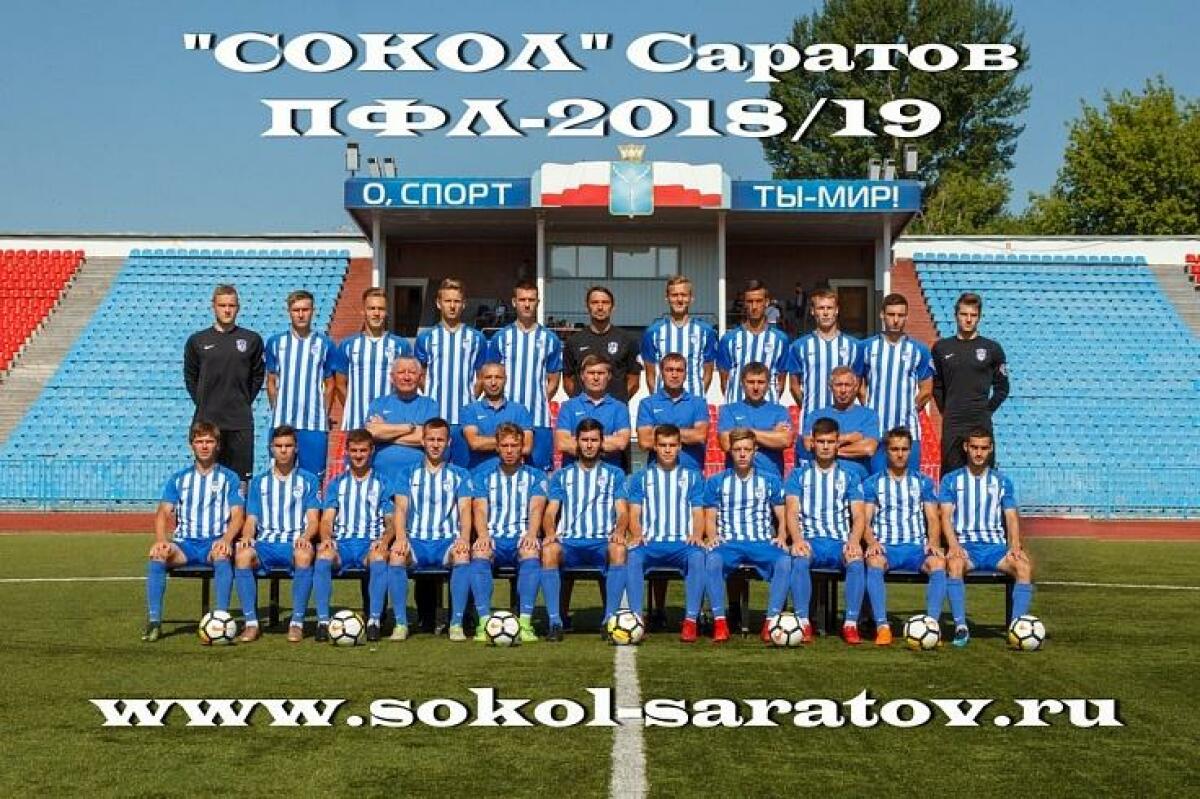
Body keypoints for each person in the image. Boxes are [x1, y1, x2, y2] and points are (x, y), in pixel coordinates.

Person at [142, 421, 244, 643]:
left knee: (222, 555)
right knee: (158, 555)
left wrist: (227, 539)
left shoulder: (229, 478)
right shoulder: (179, 479)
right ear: (192, 445)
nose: (204, 446)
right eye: (199, 441)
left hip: (213, 544)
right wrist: (161, 540)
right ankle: (154, 621)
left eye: (209, 441)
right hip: (184, 545)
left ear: (218, 445)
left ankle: (220, 618)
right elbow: (163, 512)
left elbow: (238, 515)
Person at [938, 428, 1035, 648]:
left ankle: (1017, 627)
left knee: (1024, 566)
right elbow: (945, 516)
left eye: (983, 448)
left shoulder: (1002, 482)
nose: (979, 453)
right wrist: (953, 545)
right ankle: (961, 626)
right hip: (967, 548)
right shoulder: (951, 480)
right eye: (974, 447)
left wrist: (1015, 546)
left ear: (990, 449)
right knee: (954, 564)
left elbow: (1011, 516)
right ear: (966, 448)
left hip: (995, 549)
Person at [385, 418, 475, 642]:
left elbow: (465, 509)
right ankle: (401, 624)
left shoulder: (460, 474)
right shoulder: (407, 473)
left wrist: (464, 538)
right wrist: (400, 538)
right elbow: (400, 508)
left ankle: (456, 624)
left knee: (463, 555)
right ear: (423, 441)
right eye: (431, 439)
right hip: (416, 542)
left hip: (446, 542)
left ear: (448, 442)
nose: (435, 444)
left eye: (440, 440)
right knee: (396, 556)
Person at [540, 419, 628, 641]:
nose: (589, 445)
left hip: (601, 543)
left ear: (601, 443)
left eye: (594, 440)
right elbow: (550, 513)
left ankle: (609, 621)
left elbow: (622, 512)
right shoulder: (562, 475)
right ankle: (555, 622)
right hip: (570, 543)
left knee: (618, 549)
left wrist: (619, 531)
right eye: (585, 440)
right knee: (549, 551)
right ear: (577, 442)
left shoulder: (615, 474)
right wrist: (550, 533)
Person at [784, 417, 869, 645]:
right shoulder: (798, 475)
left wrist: (854, 541)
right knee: (799, 559)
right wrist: (797, 540)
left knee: (856, 561)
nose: (825, 446)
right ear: (812, 443)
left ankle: (850, 623)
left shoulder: (850, 476)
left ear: (837, 443)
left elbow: (859, 515)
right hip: (810, 540)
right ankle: (803, 622)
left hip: (839, 542)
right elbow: (791, 512)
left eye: (830, 442)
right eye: (821, 441)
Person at [622, 425, 710, 642]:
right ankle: (636, 618)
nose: (668, 450)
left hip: (682, 544)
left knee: (698, 557)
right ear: (655, 447)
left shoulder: (693, 477)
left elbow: (698, 512)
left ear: (680, 447)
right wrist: (637, 534)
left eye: (672, 445)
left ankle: (690, 620)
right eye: (663, 445)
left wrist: (697, 535)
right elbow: (634, 513)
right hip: (651, 543)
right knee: (632, 556)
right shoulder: (641, 478)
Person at [234, 425, 322, 643]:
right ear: (271, 448)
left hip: (294, 543)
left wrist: (306, 537)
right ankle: (251, 623)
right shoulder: (259, 482)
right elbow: (251, 518)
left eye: (288, 446)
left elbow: (313, 520)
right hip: (265, 544)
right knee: (242, 555)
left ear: (296, 448)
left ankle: (297, 623)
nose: (283, 450)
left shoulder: (309, 480)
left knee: (304, 555)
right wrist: (247, 537)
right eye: (279, 446)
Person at [703, 429, 792, 644]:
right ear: (730, 451)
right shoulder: (716, 481)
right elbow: (709, 517)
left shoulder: (770, 480)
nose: (742, 454)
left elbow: (783, 515)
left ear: (755, 451)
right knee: (712, 559)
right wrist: (713, 536)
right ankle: (720, 623)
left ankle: (770, 623)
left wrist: (781, 536)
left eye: (747, 449)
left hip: (761, 542)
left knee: (784, 560)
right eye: (737, 449)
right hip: (729, 543)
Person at [860, 427, 946, 646]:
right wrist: (871, 542)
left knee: (938, 563)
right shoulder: (872, 483)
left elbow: (933, 518)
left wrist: (933, 542)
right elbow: (865, 521)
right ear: (886, 451)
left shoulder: (923, 482)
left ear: (910, 451)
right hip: (887, 548)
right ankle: (882, 626)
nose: (900, 454)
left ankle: (932, 626)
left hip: (916, 548)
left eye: (904, 449)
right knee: (874, 561)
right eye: (895, 449)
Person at [470, 422, 547, 643]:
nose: (510, 450)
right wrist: (483, 536)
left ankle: (525, 623)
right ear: (497, 447)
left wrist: (531, 534)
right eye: (505, 446)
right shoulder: (483, 477)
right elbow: (479, 509)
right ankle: (484, 623)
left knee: (530, 552)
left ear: (522, 447)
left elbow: (536, 508)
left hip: (521, 536)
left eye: (514, 445)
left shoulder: (536, 477)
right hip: (494, 537)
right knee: (480, 553)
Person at [315, 429, 393, 642]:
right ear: (347, 452)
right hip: (343, 544)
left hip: (369, 544)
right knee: (323, 557)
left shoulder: (383, 482)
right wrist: (326, 539)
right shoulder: (336, 483)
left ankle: (374, 621)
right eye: (354, 450)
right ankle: (322, 622)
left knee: (379, 558)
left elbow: (391, 522)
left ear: (372, 451)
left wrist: (384, 541)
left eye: (363, 450)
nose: (358, 455)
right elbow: (327, 519)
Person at [183, 284, 264, 489]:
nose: (227, 310)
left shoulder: (251, 340)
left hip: (239, 422)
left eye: (231, 305)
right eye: (222, 305)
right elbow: (191, 377)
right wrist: (205, 402)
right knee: (207, 479)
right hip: (207, 422)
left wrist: (241, 400)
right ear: (213, 306)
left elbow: (257, 376)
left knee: (240, 483)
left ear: (238, 307)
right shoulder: (197, 341)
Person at [487, 280, 563, 470]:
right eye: (522, 300)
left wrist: (539, 399)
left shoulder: (550, 339)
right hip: (506, 420)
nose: (527, 304)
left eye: (531, 300)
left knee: (539, 474)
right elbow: (490, 376)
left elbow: (554, 380)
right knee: (503, 473)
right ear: (514, 302)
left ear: (538, 302)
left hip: (539, 421)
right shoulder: (500, 338)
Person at [414, 278, 489, 467]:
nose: (452, 306)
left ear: (464, 304)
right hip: (435, 419)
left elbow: (482, 376)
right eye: (448, 301)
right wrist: (430, 394)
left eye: (457, 301)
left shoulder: (477, 338)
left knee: (464, 471)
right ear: (439, 303)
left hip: (465, 420)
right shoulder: (426, 338)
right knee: (435, 469)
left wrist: (470, 398)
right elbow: (419, 374)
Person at [932, 292, 1009, 474]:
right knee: (951, 475)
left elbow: (1003, 388)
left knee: (984, 475)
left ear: (979, 317)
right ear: (955, 316)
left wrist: (986, 410)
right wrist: (948, 410)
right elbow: (937, 386)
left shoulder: (992, 349)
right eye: (964, 314)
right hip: (953, 423)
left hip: (980, 422)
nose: (968, 319)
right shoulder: (941, 348)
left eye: (973, 315)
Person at [265, 290, 337, 479]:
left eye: (305, 309)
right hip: (282, 422)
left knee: (313, 480)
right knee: (279, 477)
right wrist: (277, 407)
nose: (301, 314)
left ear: (313, 311)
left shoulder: (325, 344)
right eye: (296, 310)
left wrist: (323, 413)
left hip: (313, 425)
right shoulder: (275, 343)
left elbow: (330, 383)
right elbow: (271, 380)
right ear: (289, 311)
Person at [860, 293, 934, 474]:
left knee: (909, 482)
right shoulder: (866, 347)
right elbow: (857, 383)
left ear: (906, 316)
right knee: (876, 483)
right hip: (875, 432)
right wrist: (869, 407)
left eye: (900, 315)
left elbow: (926, 389)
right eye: (891, 314)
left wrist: (909, 409)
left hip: (908, 432)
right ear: (882, 315)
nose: (895, 320)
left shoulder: (919, 350)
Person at [334, 287, 413, 433]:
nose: (376, 313)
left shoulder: (401, 345)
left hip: (391, 422)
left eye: (381, 309)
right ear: (363, 311)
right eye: (371, 308)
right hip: (356, 423)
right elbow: (340, 384)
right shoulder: (348, 344)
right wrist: (353, 408)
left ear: (386, 312)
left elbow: (408, 382)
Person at [786, 287, 862, 427]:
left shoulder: (854, 346)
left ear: (836, 310)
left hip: (845, 420)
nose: (826, 313)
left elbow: (858, 384)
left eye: (829, 308)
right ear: (813, 311)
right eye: (821, 308)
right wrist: (809, 408)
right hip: (812, 420)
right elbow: (794, 386)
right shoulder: (799, 346)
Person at [364, 356, 440, 485]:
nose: (406, 377)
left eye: (412, 372)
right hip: (381, 476)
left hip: (418, 477)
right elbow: (372, 432)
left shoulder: (429, 404)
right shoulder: (379, 403)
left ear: (420, 377)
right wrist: (409, 427)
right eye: (401, 372)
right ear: (392, 377)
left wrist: (386, 433)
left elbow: (428, 437)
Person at [641, 275, 717, 398]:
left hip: (694, 400)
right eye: (674, 295)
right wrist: (658, 400)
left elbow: (708, 371)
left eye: (684, 295)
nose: (679, 299)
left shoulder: (706, 331)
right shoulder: (653, 332)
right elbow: (650, 375)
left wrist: (697, 398)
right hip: (663, 402)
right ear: (667, 298)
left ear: (691, 298)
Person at [562, 285, 641, 402]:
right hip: (583, 410)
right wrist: (581, 403)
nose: (600, 307)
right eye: (595, 302)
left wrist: (616, 404)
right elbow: (567, 380)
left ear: (612, 307)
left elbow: (634, 381)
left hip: (615, 411)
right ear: (587, 306)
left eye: (605, 302)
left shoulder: (627, 340)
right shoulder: (573, 341)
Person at [798, 366, 880, 478]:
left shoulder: (869, 415)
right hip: (821, 477)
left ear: (856, 387)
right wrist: (850, 438)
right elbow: (809, 445)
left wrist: (826, 449)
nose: (843, 390)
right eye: (838, 385)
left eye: (847, 385)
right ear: (830, 387)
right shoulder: (815, 415)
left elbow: (868, 449)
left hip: (857, 477)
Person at [717, 279, 790, 404]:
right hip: (737, 407)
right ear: (744, 303)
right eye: (750, 302)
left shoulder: (780, 339)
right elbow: (724, 381)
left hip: (768, 408)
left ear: (766, 302)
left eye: (759, 301)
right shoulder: (728, 339)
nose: (754, 307)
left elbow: (781, 381)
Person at [635, 352, 710, 472]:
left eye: (679, 370)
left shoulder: (698, 403)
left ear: (685, 374)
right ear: (662, 373)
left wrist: (660, 431)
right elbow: (644, 442)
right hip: (657, 472)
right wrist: (687, 433)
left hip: (691, 471)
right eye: (669, 370)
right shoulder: (647, 404)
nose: (674, 375)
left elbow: (700, 436)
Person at [717, 362, 793, 478]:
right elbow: (726, 443)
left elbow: (785, 440)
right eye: (751, 382)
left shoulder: (780, 411)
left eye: (761, 382)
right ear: (743, 383)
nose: (756, 387)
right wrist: (771, 434)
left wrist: (742, 431)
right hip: (737, 479)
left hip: (771, 479)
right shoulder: (729, 410)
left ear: (768, 384)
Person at [554, 354, 631, 468]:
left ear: (609, 376)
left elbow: (621, 442)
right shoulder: (568, 407)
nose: (596, 378)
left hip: (609, 472)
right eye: (591, 373)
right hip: (574, 472)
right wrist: (606, 442)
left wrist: (581, 442)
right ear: (582, 376)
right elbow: (562, 443)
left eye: (601, 373)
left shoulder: (619, 408)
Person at [461, 362, 534, 470]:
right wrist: (512, 442)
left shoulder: (520, 410)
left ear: (505, 380)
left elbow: (527, 446)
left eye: (498, 377)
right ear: (481, 380)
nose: (493, 382)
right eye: (488, 377)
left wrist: (487, 442)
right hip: (480, 473)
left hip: (513, 473)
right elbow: (475, 443)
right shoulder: (470, 410)